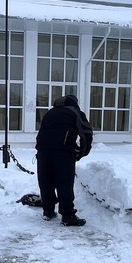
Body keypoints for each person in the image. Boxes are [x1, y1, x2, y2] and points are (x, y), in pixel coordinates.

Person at [35, 94, 93, 226]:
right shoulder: (75, 112)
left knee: (46, 181)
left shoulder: (49, 113)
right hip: (63, 154)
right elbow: (86, 133)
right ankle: (68, 216)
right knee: (64, 184)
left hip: (43, 152)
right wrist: (81, 152)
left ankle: (48, 211)